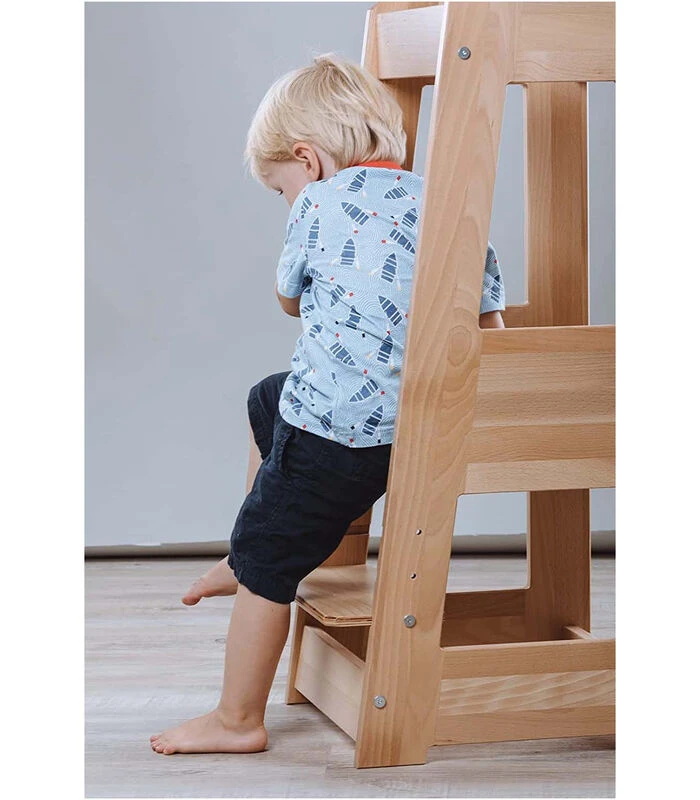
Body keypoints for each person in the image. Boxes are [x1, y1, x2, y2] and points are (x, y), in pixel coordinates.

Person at [150, 53, 506, 756]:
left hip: (334, 438)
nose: (288, 200)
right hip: (419, 429)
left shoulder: (316, 204)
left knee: (270, 567)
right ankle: (252, 540)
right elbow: (492, 329)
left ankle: (237, 717)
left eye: (281, 188)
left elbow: (288, 301)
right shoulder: (449, 205)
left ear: (306, 161)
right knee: (267, 398)